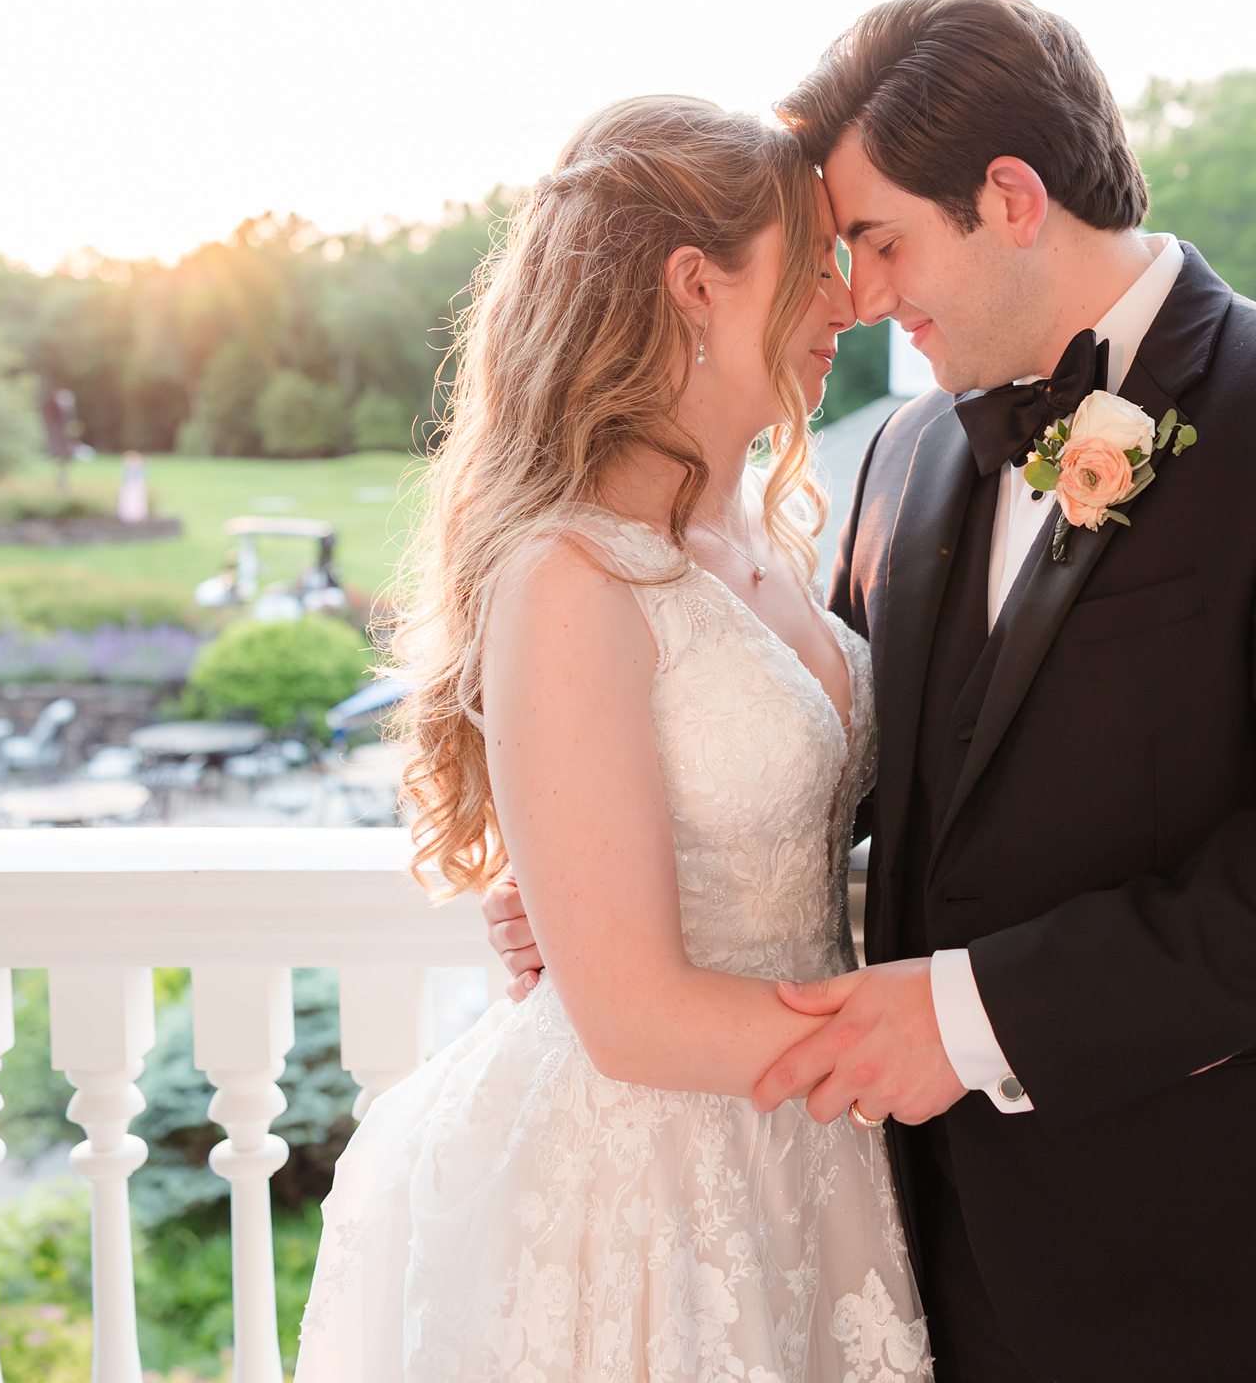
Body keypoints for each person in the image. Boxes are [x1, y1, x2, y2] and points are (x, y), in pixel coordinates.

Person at [489, 0, 1256, 1382]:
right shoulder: (906, 455)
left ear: (1011, 198)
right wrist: (594, 871)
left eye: (882, 241)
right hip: (931, 1257)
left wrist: (974, 1018)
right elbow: (860, 764)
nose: (860, 294)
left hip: (1230, 1256)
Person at [292, 95, 931, 1380]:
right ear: (696, 284)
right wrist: (939, 1043)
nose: (849, 302)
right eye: (812, 266)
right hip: (653, 1185)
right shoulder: (570, 574)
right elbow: (632, 1016)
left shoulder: (761, 534)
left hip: (812, 1141)